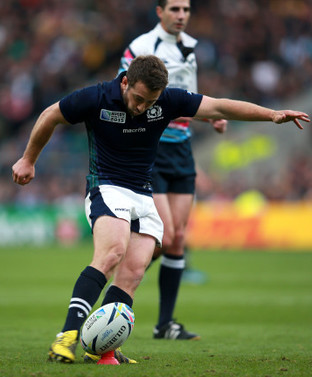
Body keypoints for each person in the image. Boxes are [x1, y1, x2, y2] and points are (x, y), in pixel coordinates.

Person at [12, 55, 309, 364]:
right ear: (125, 81)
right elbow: (50, 115)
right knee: (112, 253)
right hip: (107, 187)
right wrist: (28, 159)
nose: (142, 107)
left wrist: (272, 115)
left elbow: (219, 106)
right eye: (138, 98)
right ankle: (67, 336)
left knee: (133, 272)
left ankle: (102, 350)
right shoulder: (96, 97)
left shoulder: (168, 100)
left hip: (143, 193)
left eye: (149, 101)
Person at [118, 0, 227, 341]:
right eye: (175, 9)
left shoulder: (190, 47)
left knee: (178, 238)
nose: (182, 15)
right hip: (153, 147)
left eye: (186, 9)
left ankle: (165, 324)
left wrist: (209, 115)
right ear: (159, 11)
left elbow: (187, 97)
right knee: (164, 237)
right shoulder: (140, 47)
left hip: (182, 146)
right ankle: (117, 293)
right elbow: (123, 91)